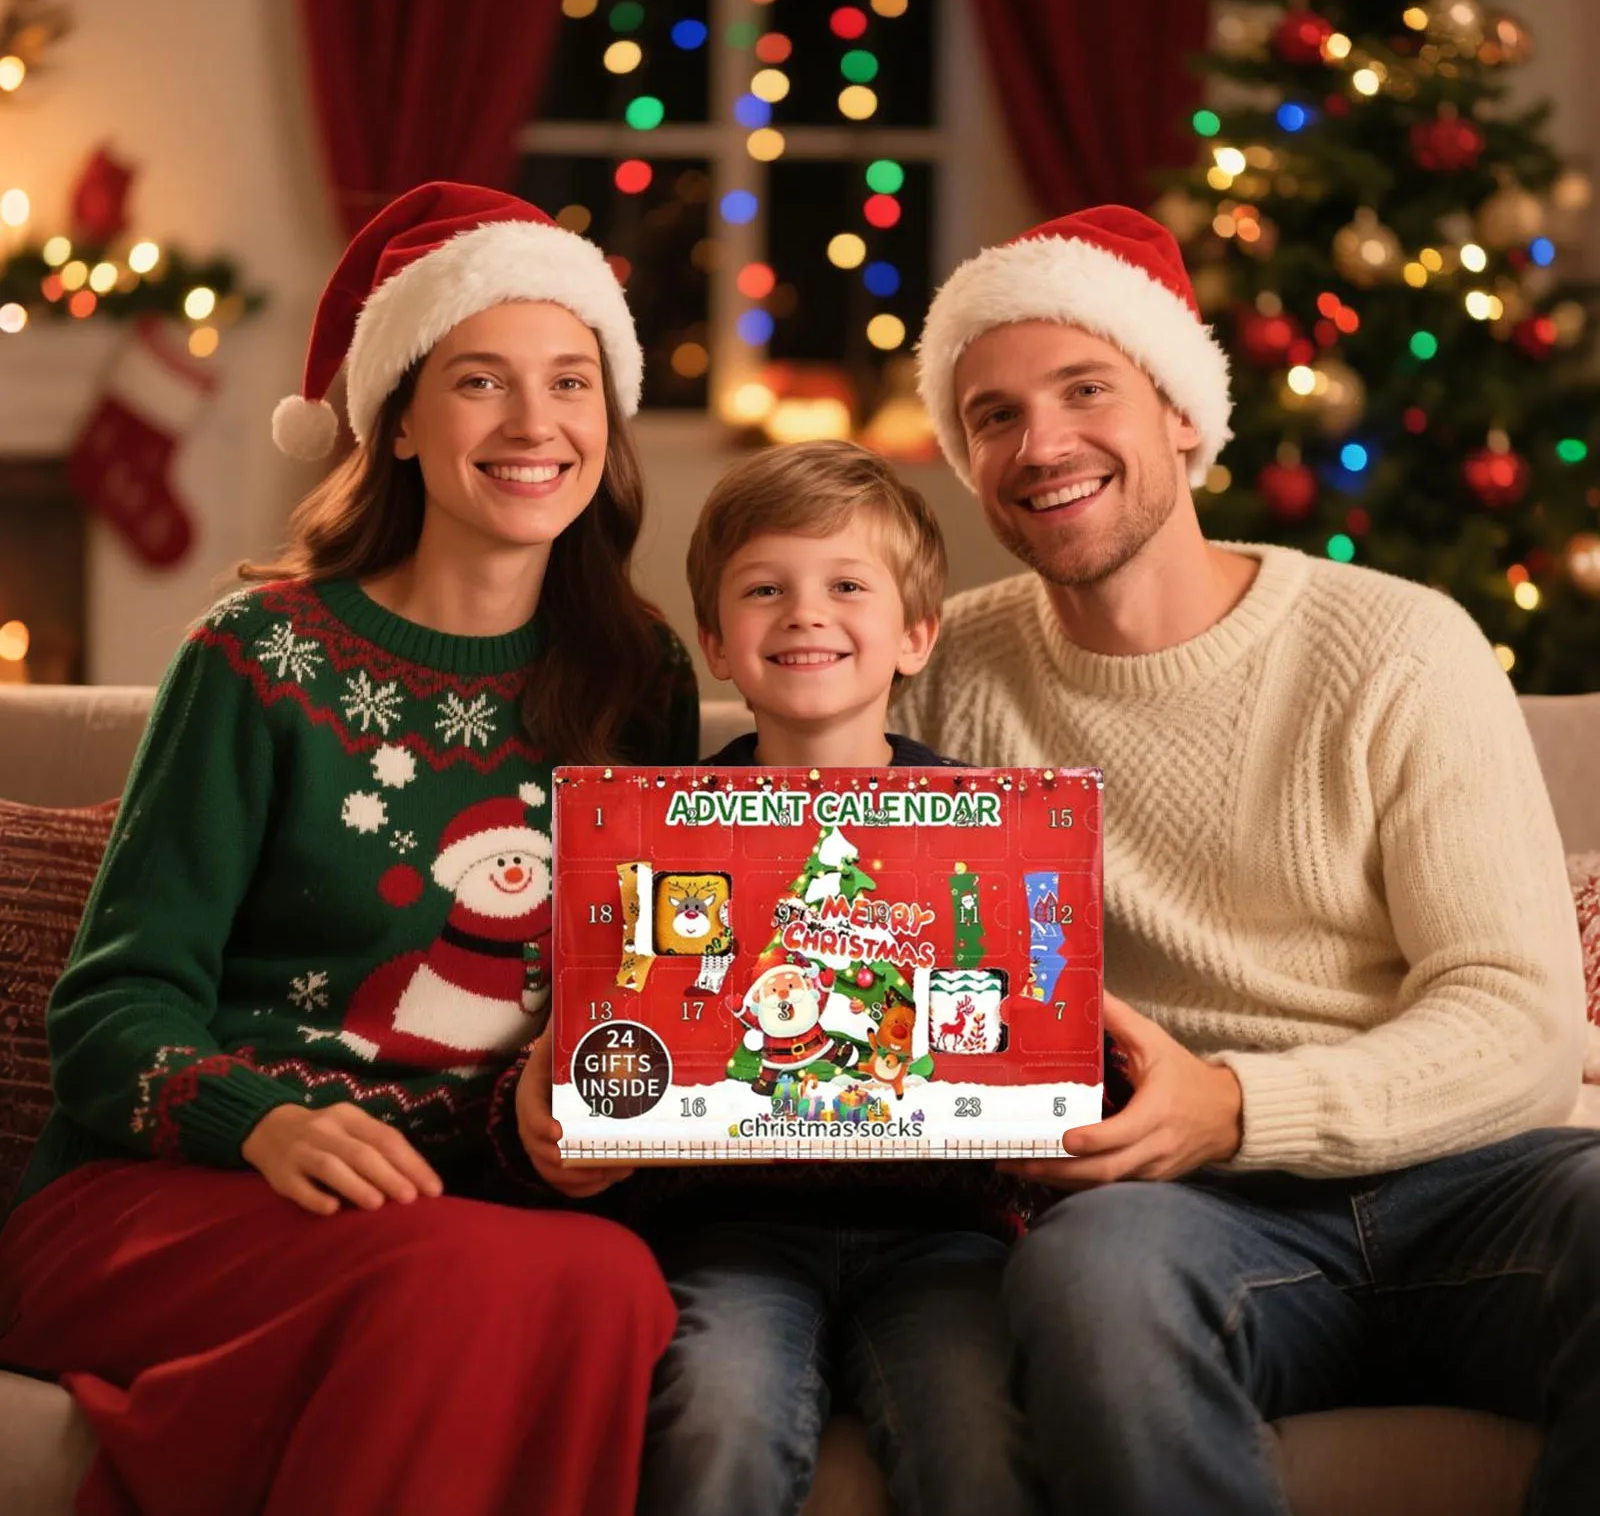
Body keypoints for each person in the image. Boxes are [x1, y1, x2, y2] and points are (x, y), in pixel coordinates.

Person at [0, 182, 699, 1516]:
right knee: (466, 1277)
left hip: (478, 1206)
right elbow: (109, 1011)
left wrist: (582, 1117)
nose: (535, 423)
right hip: (185, 1194)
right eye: (481, 381)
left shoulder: (635, 674)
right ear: (397, 423)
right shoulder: (258, 657)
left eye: (571, 380)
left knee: (608, 1282)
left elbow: (640, 986)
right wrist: (260, 1122)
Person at [897, 203, 1600, 1514]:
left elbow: (1519, 1016)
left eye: (1084, 388)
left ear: (1181, 413)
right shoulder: (942, 673)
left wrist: (1230, 1101)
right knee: (1089, 1278)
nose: (1040, 444)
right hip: (1177, 1217)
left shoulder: (1398, 646)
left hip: (1477, 1183)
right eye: (992, 416)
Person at [522, 440, 1042, 1516]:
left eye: (846, 586)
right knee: (713, 1416)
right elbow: (609, 1026)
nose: (806, 613)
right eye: (765, 590)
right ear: (715, 641)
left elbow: (1029, 1027)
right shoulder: (653, 831)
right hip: (729, 1229)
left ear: (914, 634)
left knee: (982, 1435)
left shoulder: (986, 827)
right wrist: (554, 1096)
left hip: (941, 1234)